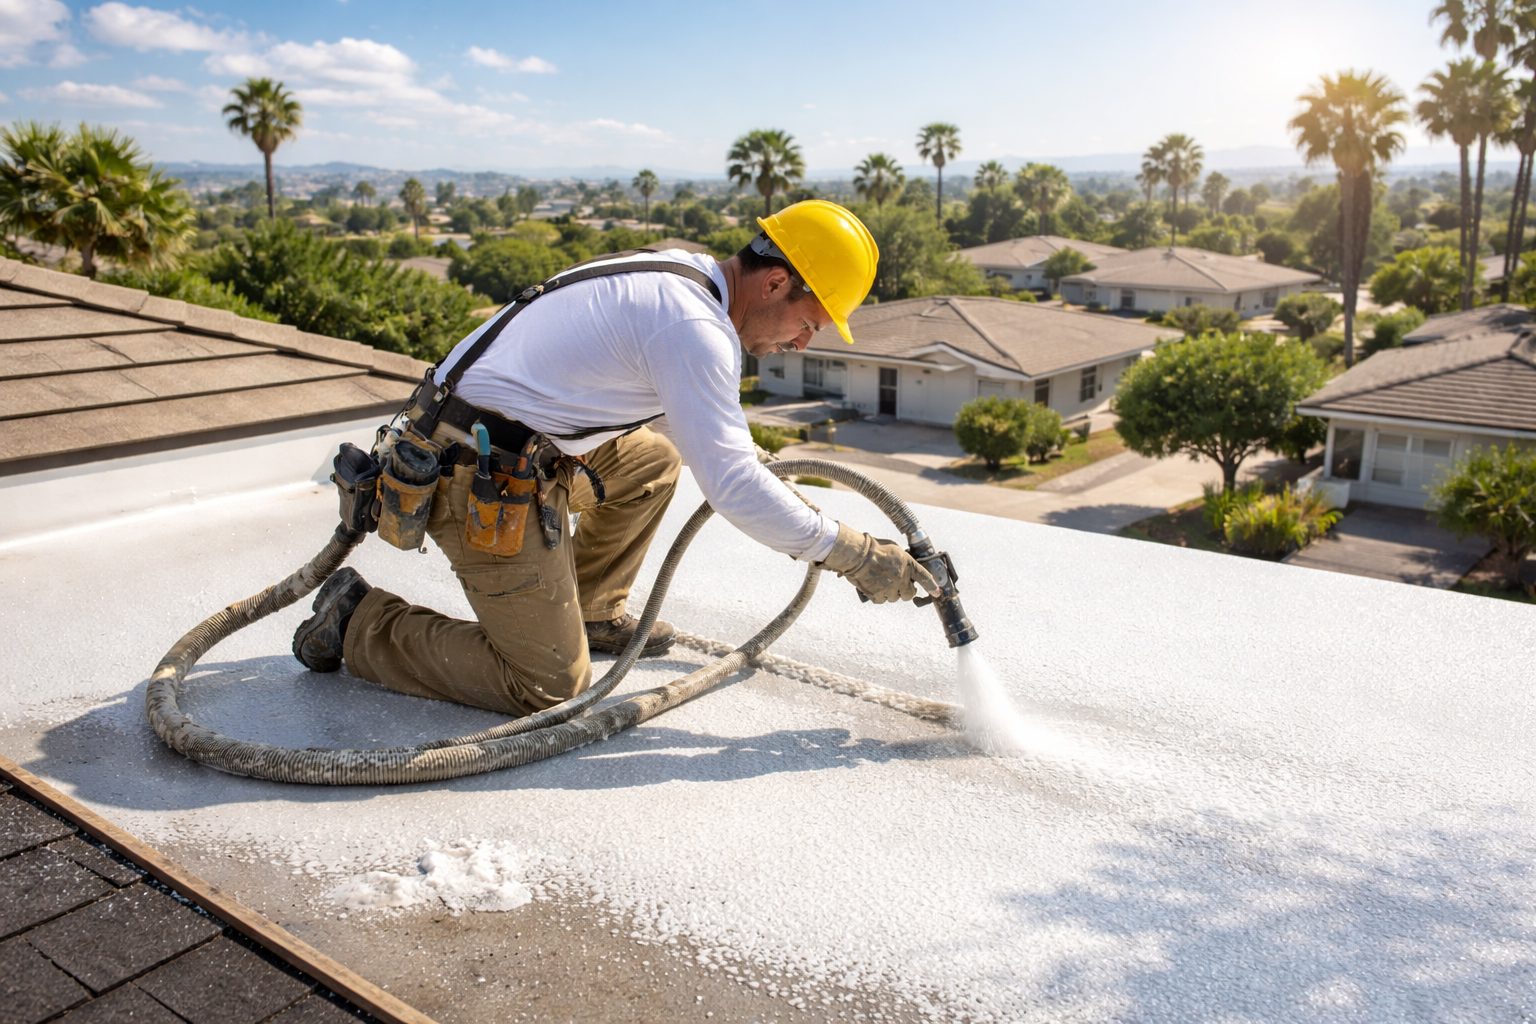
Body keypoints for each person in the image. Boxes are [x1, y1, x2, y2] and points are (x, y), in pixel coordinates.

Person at [292, 200, 937, 716]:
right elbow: (733, 487)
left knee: (650, 462)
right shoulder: (694, 327)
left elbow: (672, 411)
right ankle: (358, 621)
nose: (801, 343)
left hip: (510, 445)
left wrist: (744, 455)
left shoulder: (682, 276)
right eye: (810, 324)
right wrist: (855, 555)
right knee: (547, 687)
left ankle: (593, 610)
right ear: (775, 283)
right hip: (472, 474)